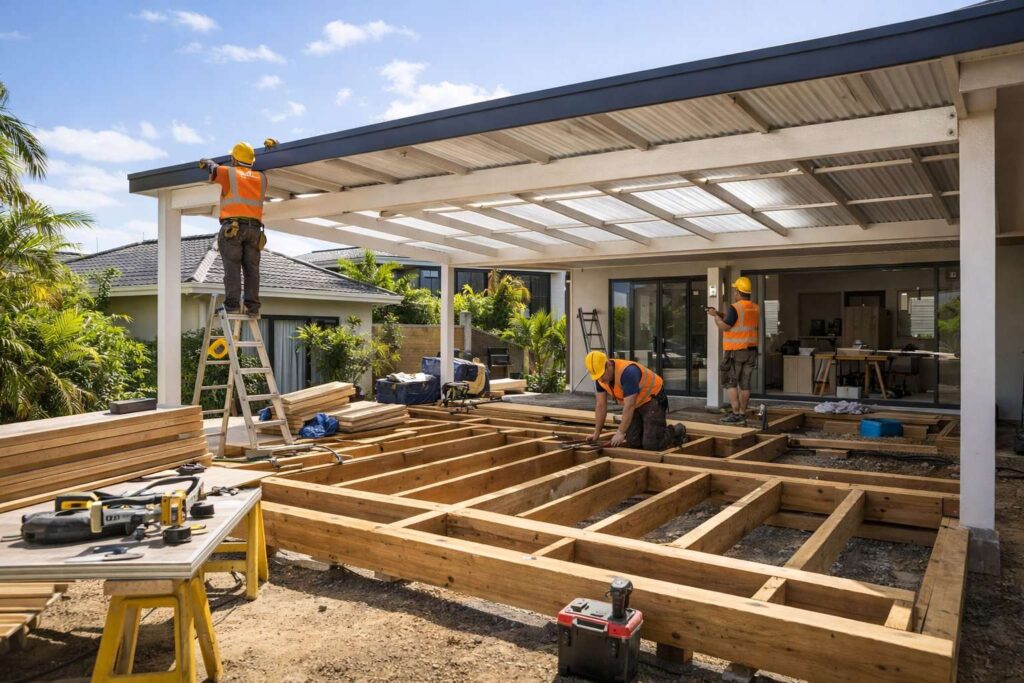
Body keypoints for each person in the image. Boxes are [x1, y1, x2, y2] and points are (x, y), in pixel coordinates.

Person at [199, 142, 267, 316]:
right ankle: (253, 308)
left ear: (233, 158)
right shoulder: (262, 178)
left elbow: (213, 169)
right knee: (252, 270)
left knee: (232, 268)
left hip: (234, 229)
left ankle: (232, 305)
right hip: (255, 230)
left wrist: (206, 161)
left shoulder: (229, 173)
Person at [584, 351, 686, 451]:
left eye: (602, 375)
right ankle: (647, 430)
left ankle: (677, 430)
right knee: (633, 443)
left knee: (652, 445)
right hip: (636, 404)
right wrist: (596, 434)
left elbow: (629, 405)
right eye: (597, 377)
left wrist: (620, 432)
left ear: (609, 364)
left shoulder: (627, 372)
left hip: (652, 400)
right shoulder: (600, 379)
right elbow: (601, 406)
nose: (600, 379)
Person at [708, 276, 760, 424]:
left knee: (730, 382)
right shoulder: (755, 308)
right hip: (751, 350)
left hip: (735, 351)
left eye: (735, 291)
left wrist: (715, 317)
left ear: (738, 291)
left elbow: (726, 326)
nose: (734, 294)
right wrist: (720, 314)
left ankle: (735, 413)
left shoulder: (735, 307)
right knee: (745, 384)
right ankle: (743, 412)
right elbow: (737, 321)